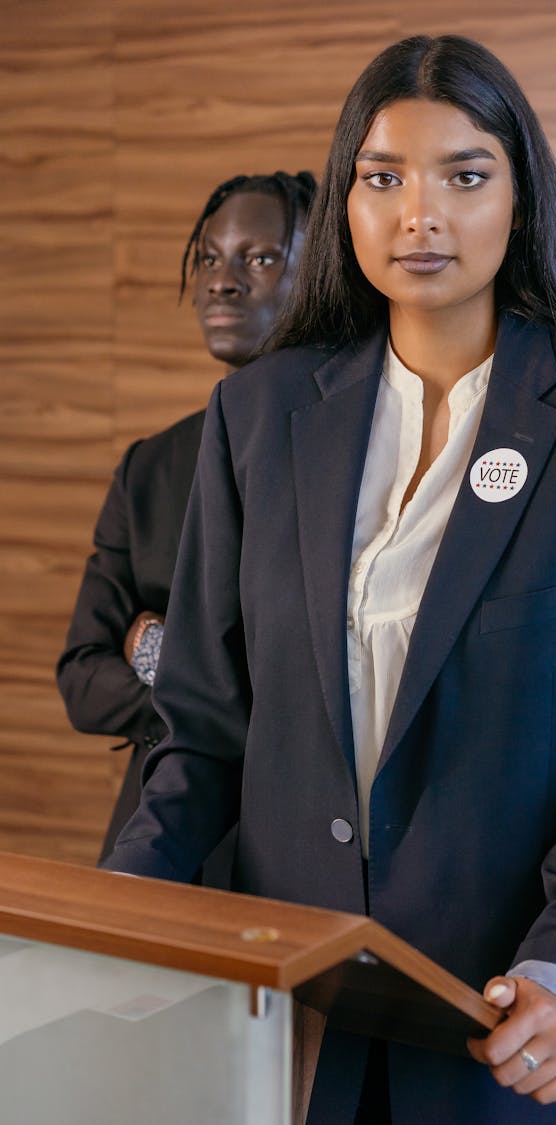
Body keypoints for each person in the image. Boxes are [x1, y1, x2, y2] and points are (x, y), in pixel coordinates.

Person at [101, 35, 556, 1125]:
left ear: (522, 195)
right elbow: (201, 726)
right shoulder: (260, 416)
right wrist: (117, 922)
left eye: (465, 175)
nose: (419, 216)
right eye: (383, 177)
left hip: (511, 1017)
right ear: (348, 197)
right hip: (296, 1015)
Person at [57, 171, 316, 874]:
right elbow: (82, 676)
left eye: (259, 258)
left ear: (319, 272)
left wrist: (152, 647)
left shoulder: (348, 458)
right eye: (208, 257)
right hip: (155, 839)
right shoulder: (150, 467)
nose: (221, 282)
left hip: (296, 853)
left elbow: (316, 681)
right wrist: (216, 697)